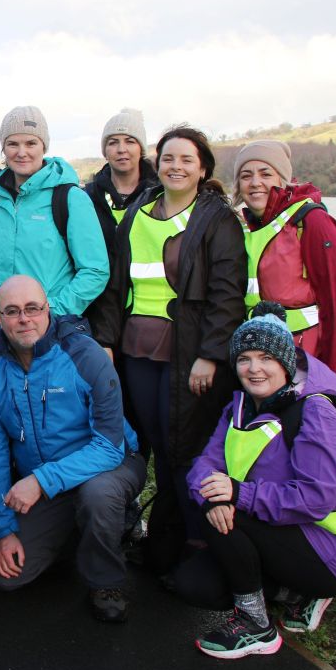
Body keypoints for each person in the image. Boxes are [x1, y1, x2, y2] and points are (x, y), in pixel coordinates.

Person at [89, 126, 247, 574]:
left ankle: (195, 546)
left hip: (187, 354)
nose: (175, 166)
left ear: (203, 169)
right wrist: (105, 341)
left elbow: (227, 295)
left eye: (186, 159)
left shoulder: (216, 219)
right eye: (168, 158)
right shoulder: (138, 211)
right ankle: (155, 539)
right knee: (151, 444)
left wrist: (212, 354)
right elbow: (115, 286)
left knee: (184, 448)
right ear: (156, 164)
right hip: (137, 350)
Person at [185, 304, 336, 658]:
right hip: (279, 527)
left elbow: (316, 497)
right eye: (244, 358)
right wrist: (212, 494)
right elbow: (206, 461)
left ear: (286, 361)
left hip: (333, 546)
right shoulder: (240, 402)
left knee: (225, 517)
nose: (254, 369)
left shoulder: (316, 410)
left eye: (266, 357)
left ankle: (257, 625)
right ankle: (289, 592)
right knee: (195, 585)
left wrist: (237, 494)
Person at [0, 276, 145, 622]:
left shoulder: (86, 357)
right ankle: (81, 537)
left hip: (107, 468)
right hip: (51, 486)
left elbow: (110, 447)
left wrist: (39, 481)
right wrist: (3, 532)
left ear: (47, 310)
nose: (24, 318)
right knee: (5, 578)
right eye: (12, 311)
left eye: (32, 308)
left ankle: (106, 581)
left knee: (98, 495)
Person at [0, 106, 108, 340]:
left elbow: (95, 270)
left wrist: (52, 310)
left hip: (43, 334)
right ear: (3, 148)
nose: (22, 152)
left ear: (44, 146)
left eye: (31, 143)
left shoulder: (69, 198)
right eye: (13, 144)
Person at [233, 140, 336, 396]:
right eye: (246, 176)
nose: (255, 182)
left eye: (266, 174)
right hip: (255, 356)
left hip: (302, 356)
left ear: (283, 179)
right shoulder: (246, 227)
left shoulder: (312, 222)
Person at [83, 108, 159, 259]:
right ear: (105, 151)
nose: (121, 149)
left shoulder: (159, 194)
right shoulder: (87, 197)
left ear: (141, 149)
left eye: (130, 142)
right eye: (113, 143)